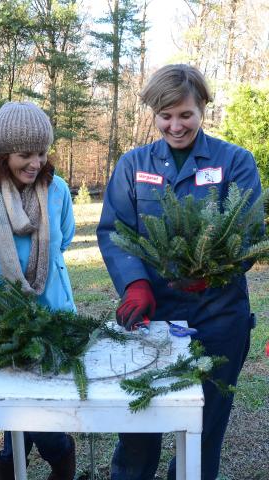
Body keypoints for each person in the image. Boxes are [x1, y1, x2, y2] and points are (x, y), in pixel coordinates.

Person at [96, 64, 261, 480]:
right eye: (165, 115)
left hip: (219, 313)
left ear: (202, 108)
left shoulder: (235, 162)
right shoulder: (134, 165)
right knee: (139, 421)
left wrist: (216, 269)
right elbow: (116, 229)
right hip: (153, 312)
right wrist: (134, 285)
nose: (175, 125)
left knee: (204, 424)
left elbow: (248, 230)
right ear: (153, 114)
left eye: (185, 114)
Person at [0, 101, 77, 480]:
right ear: (2, 154)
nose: (36, 163)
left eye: (41, 153)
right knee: (20, 411)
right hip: (1, 327)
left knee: (41, 410)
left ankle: (28, 463)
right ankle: (43, 460)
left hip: (55, 319)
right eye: (25, 154)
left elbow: (65, 239)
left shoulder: (56, 191)